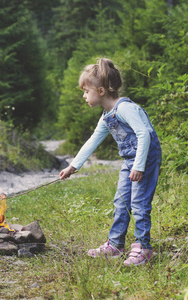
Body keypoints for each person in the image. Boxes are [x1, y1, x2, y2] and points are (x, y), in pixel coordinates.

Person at [59, 58, 161, 266]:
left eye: (87, 91)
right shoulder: (107, 116)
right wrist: (73, 166)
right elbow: (93, 141)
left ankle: (143, 248)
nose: (84, 95)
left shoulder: (125, 108)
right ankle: (115, 245)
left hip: (145, 157)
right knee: (121, 201)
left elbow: (144, 134)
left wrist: (139, 166)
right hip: (130, 160)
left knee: (139, 203)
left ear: (102, 91)